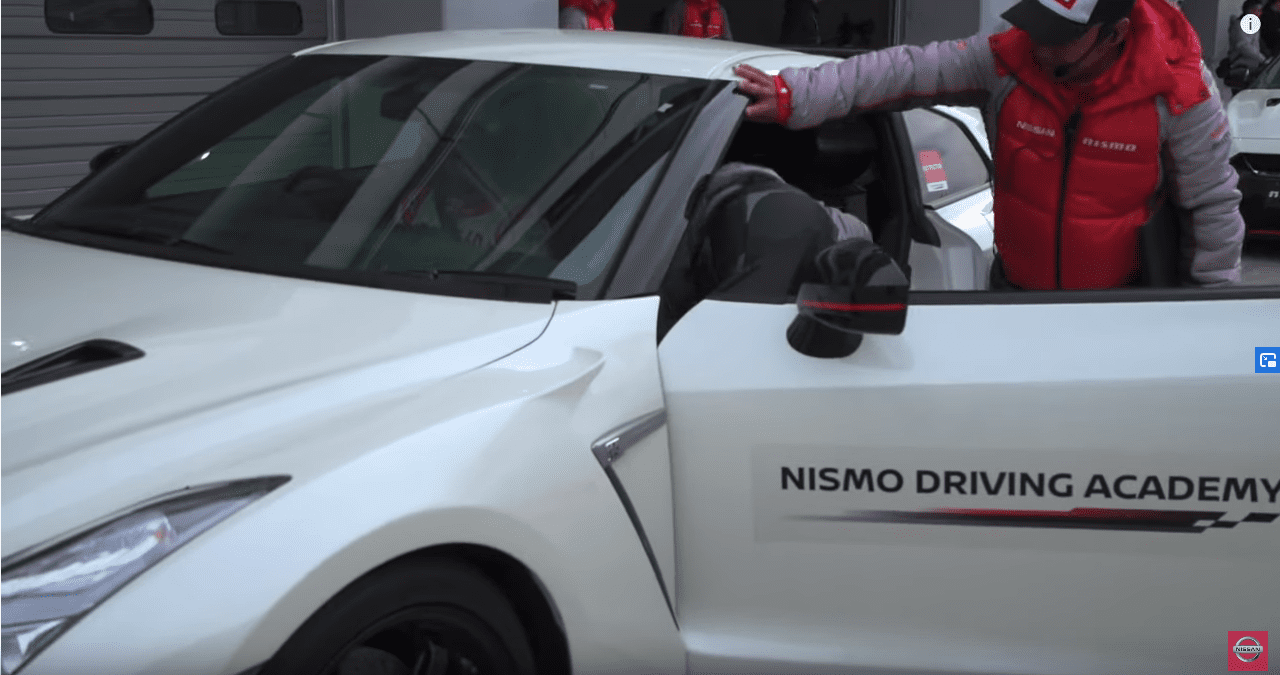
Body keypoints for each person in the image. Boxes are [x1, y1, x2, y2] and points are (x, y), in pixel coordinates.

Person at [735, 0, 1244, 290]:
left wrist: (1209, 312)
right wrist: (797, 93)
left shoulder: (1179, 92)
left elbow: (1213, 206)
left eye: (1060, 36)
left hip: (1121, 313)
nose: (1040, 45)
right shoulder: (1005, 61)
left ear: (1116, 34)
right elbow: (903, 70)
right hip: (1013, 297)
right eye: (1037, 27)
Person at [1227, 0, 1270, 88]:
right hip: (1241, 65)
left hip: (1253, 64)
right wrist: (1262, 59)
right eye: (1258, 10)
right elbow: (1243, 46)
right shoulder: (1239, 25)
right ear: (1249, 10)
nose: (1260, 13)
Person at [660, 0, 733, 40]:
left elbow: (728, 41)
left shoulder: (720, 10)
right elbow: (669, 40)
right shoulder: (679, 7)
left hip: (713, 57)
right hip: (688, 56)